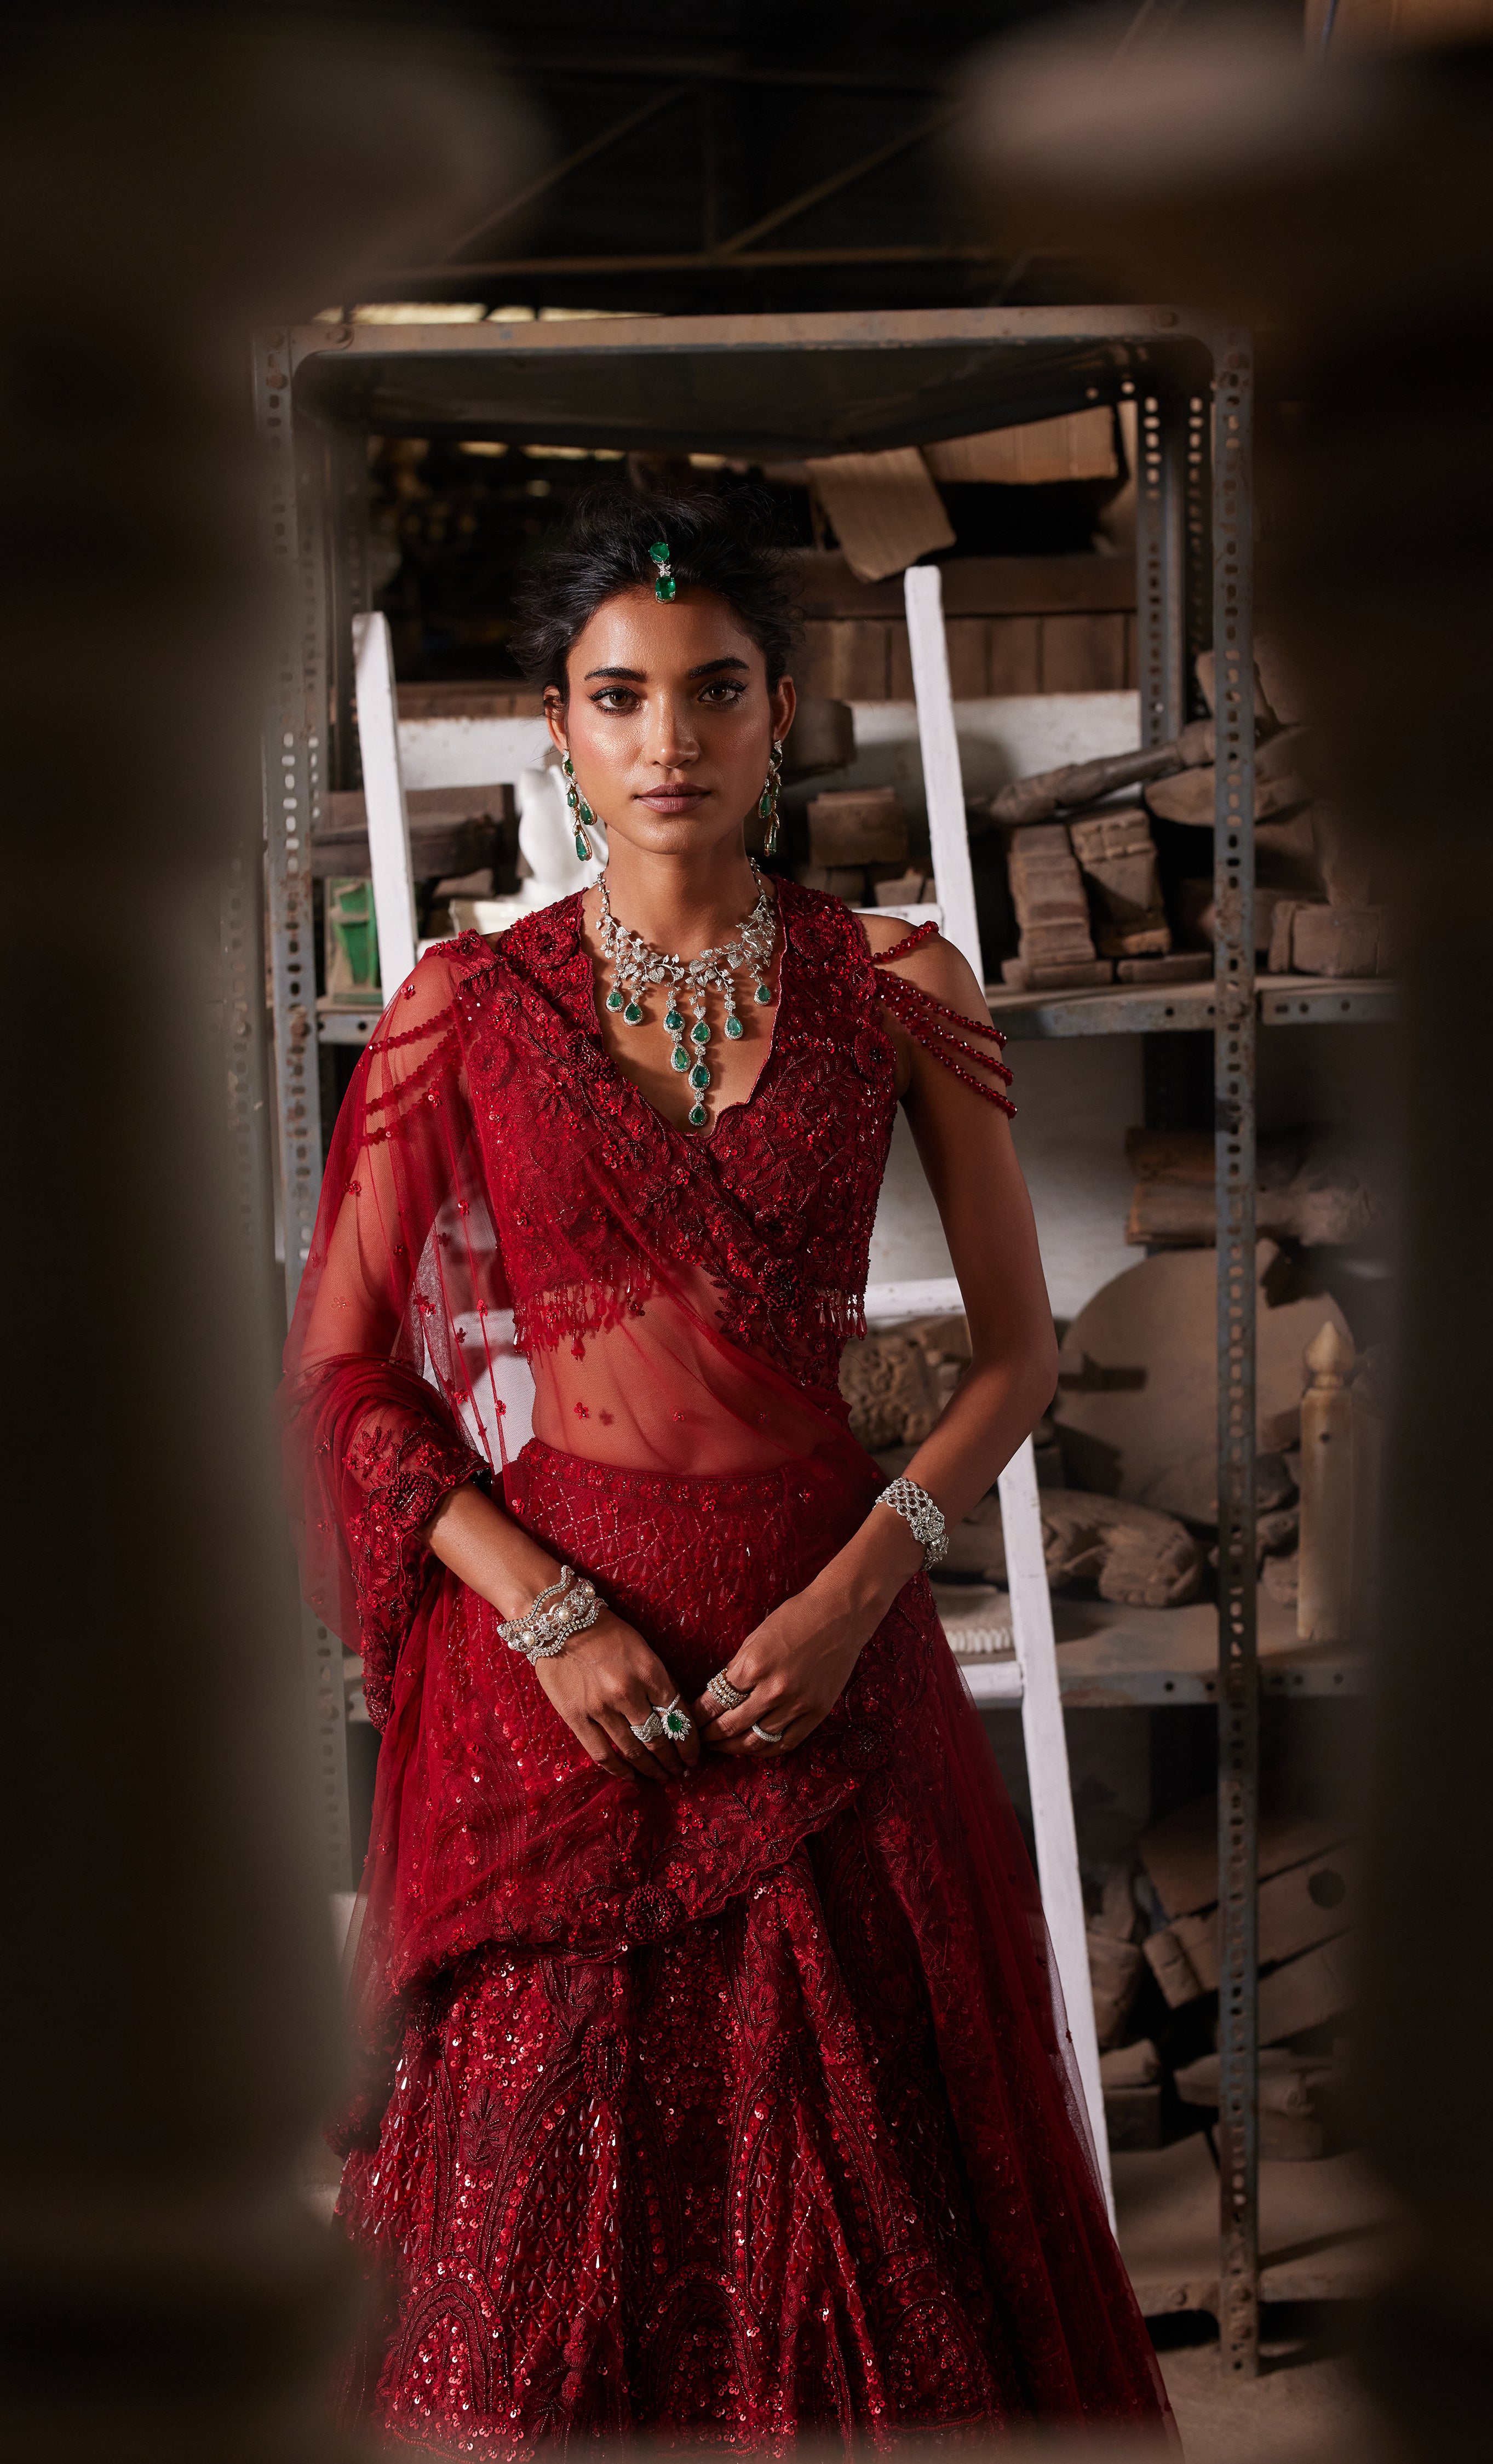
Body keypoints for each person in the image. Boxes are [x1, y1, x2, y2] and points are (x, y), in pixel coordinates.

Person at [283, 488, 1174, 2446]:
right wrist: (548, 1608)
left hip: (826, 1663)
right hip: (561, 1695)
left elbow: (1020, 1354)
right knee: (529, 2247)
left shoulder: (898, 990)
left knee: (887, 2224)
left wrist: (869, 1585)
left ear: (783, 715)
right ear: (558, 727)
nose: (667, 738)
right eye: (621, 697)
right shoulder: (464, 1011)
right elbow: (340, 1369)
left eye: (713, 691)